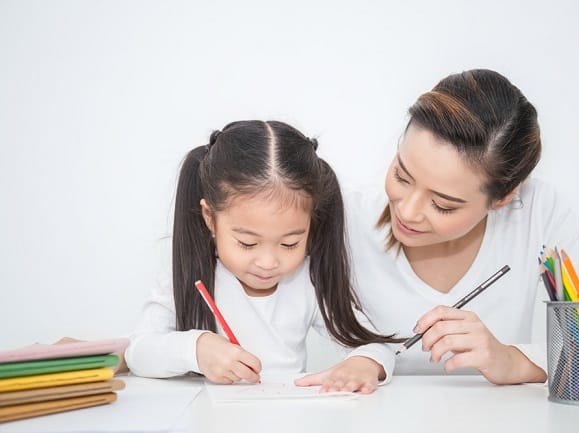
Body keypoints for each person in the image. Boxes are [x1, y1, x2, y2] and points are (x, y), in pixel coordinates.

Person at [342, 69, 579, 386]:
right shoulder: (347, 216)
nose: (407, 211)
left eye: (443, 205)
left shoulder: (535, 211)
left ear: (503, 197)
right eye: (401, 176)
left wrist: (514, 361)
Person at [125, 120, 397, 394]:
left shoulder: (307, 278)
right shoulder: (185, 267)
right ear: (210, 217)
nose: (268, 262)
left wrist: (364, 363)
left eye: (290, 243)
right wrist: (196, 348)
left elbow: (372, 343)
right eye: (247, 243)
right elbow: (138, 352)